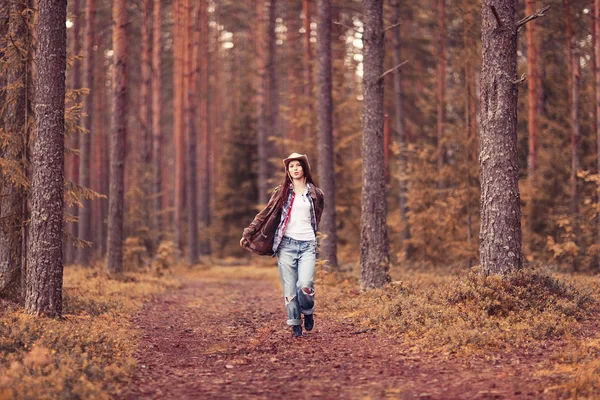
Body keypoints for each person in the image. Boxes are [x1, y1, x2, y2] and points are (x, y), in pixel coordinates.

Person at [240, 153, 325, 338]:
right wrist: (249, 231)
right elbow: (264, 214)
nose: (295, 169)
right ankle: (295, 323)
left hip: (308, 244)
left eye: (298, 165)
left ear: (304, 168)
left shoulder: (316, 193)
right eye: (291, 166)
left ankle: (308, 310)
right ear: (288, 171)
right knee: (289, 290)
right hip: (286, 245)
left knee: (305, 284)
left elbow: (317, 217)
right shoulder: (282, 192)